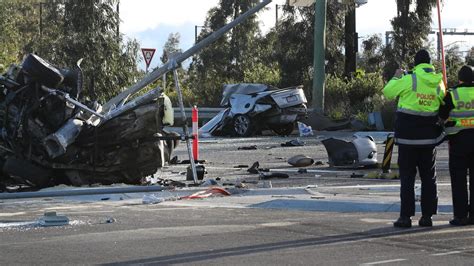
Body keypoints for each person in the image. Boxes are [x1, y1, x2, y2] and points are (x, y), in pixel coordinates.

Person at [383, 49, 446, 228]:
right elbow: (444, 103)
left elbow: (387, 92)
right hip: (428, 139)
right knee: (429, 178)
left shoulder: (410, 79)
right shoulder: (438, 83)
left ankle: (405, 217)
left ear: (415, 64)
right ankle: (427, 217)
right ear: (429, 63)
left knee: (408, 178)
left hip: (407, 139)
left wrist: (396, 77)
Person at [439, 65, 474, 226]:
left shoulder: (452, 94)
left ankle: (460, 216)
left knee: (459, 180)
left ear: (459, 78)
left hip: (459, 141)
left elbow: (442, 115)